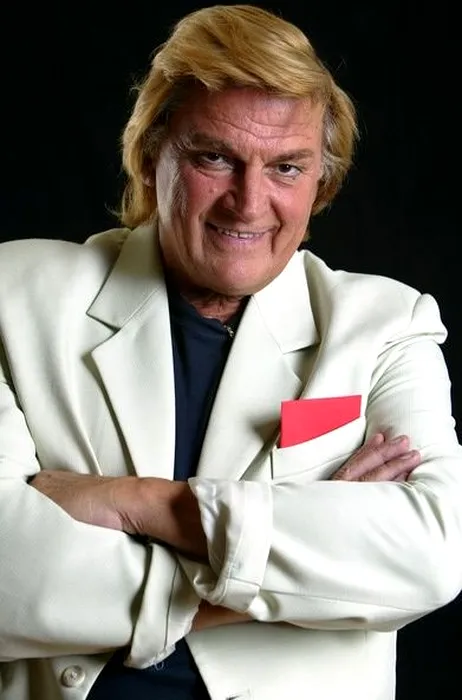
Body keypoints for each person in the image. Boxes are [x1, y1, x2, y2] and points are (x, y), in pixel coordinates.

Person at [1, 4, 461, 699]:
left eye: (286, 167)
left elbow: (429, 554)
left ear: (321, 182)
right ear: (151, 154)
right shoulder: (13, 297)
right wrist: (300, 557)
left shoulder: (388, 326)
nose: (248, 204)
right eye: (214, 157)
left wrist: (138, 505)